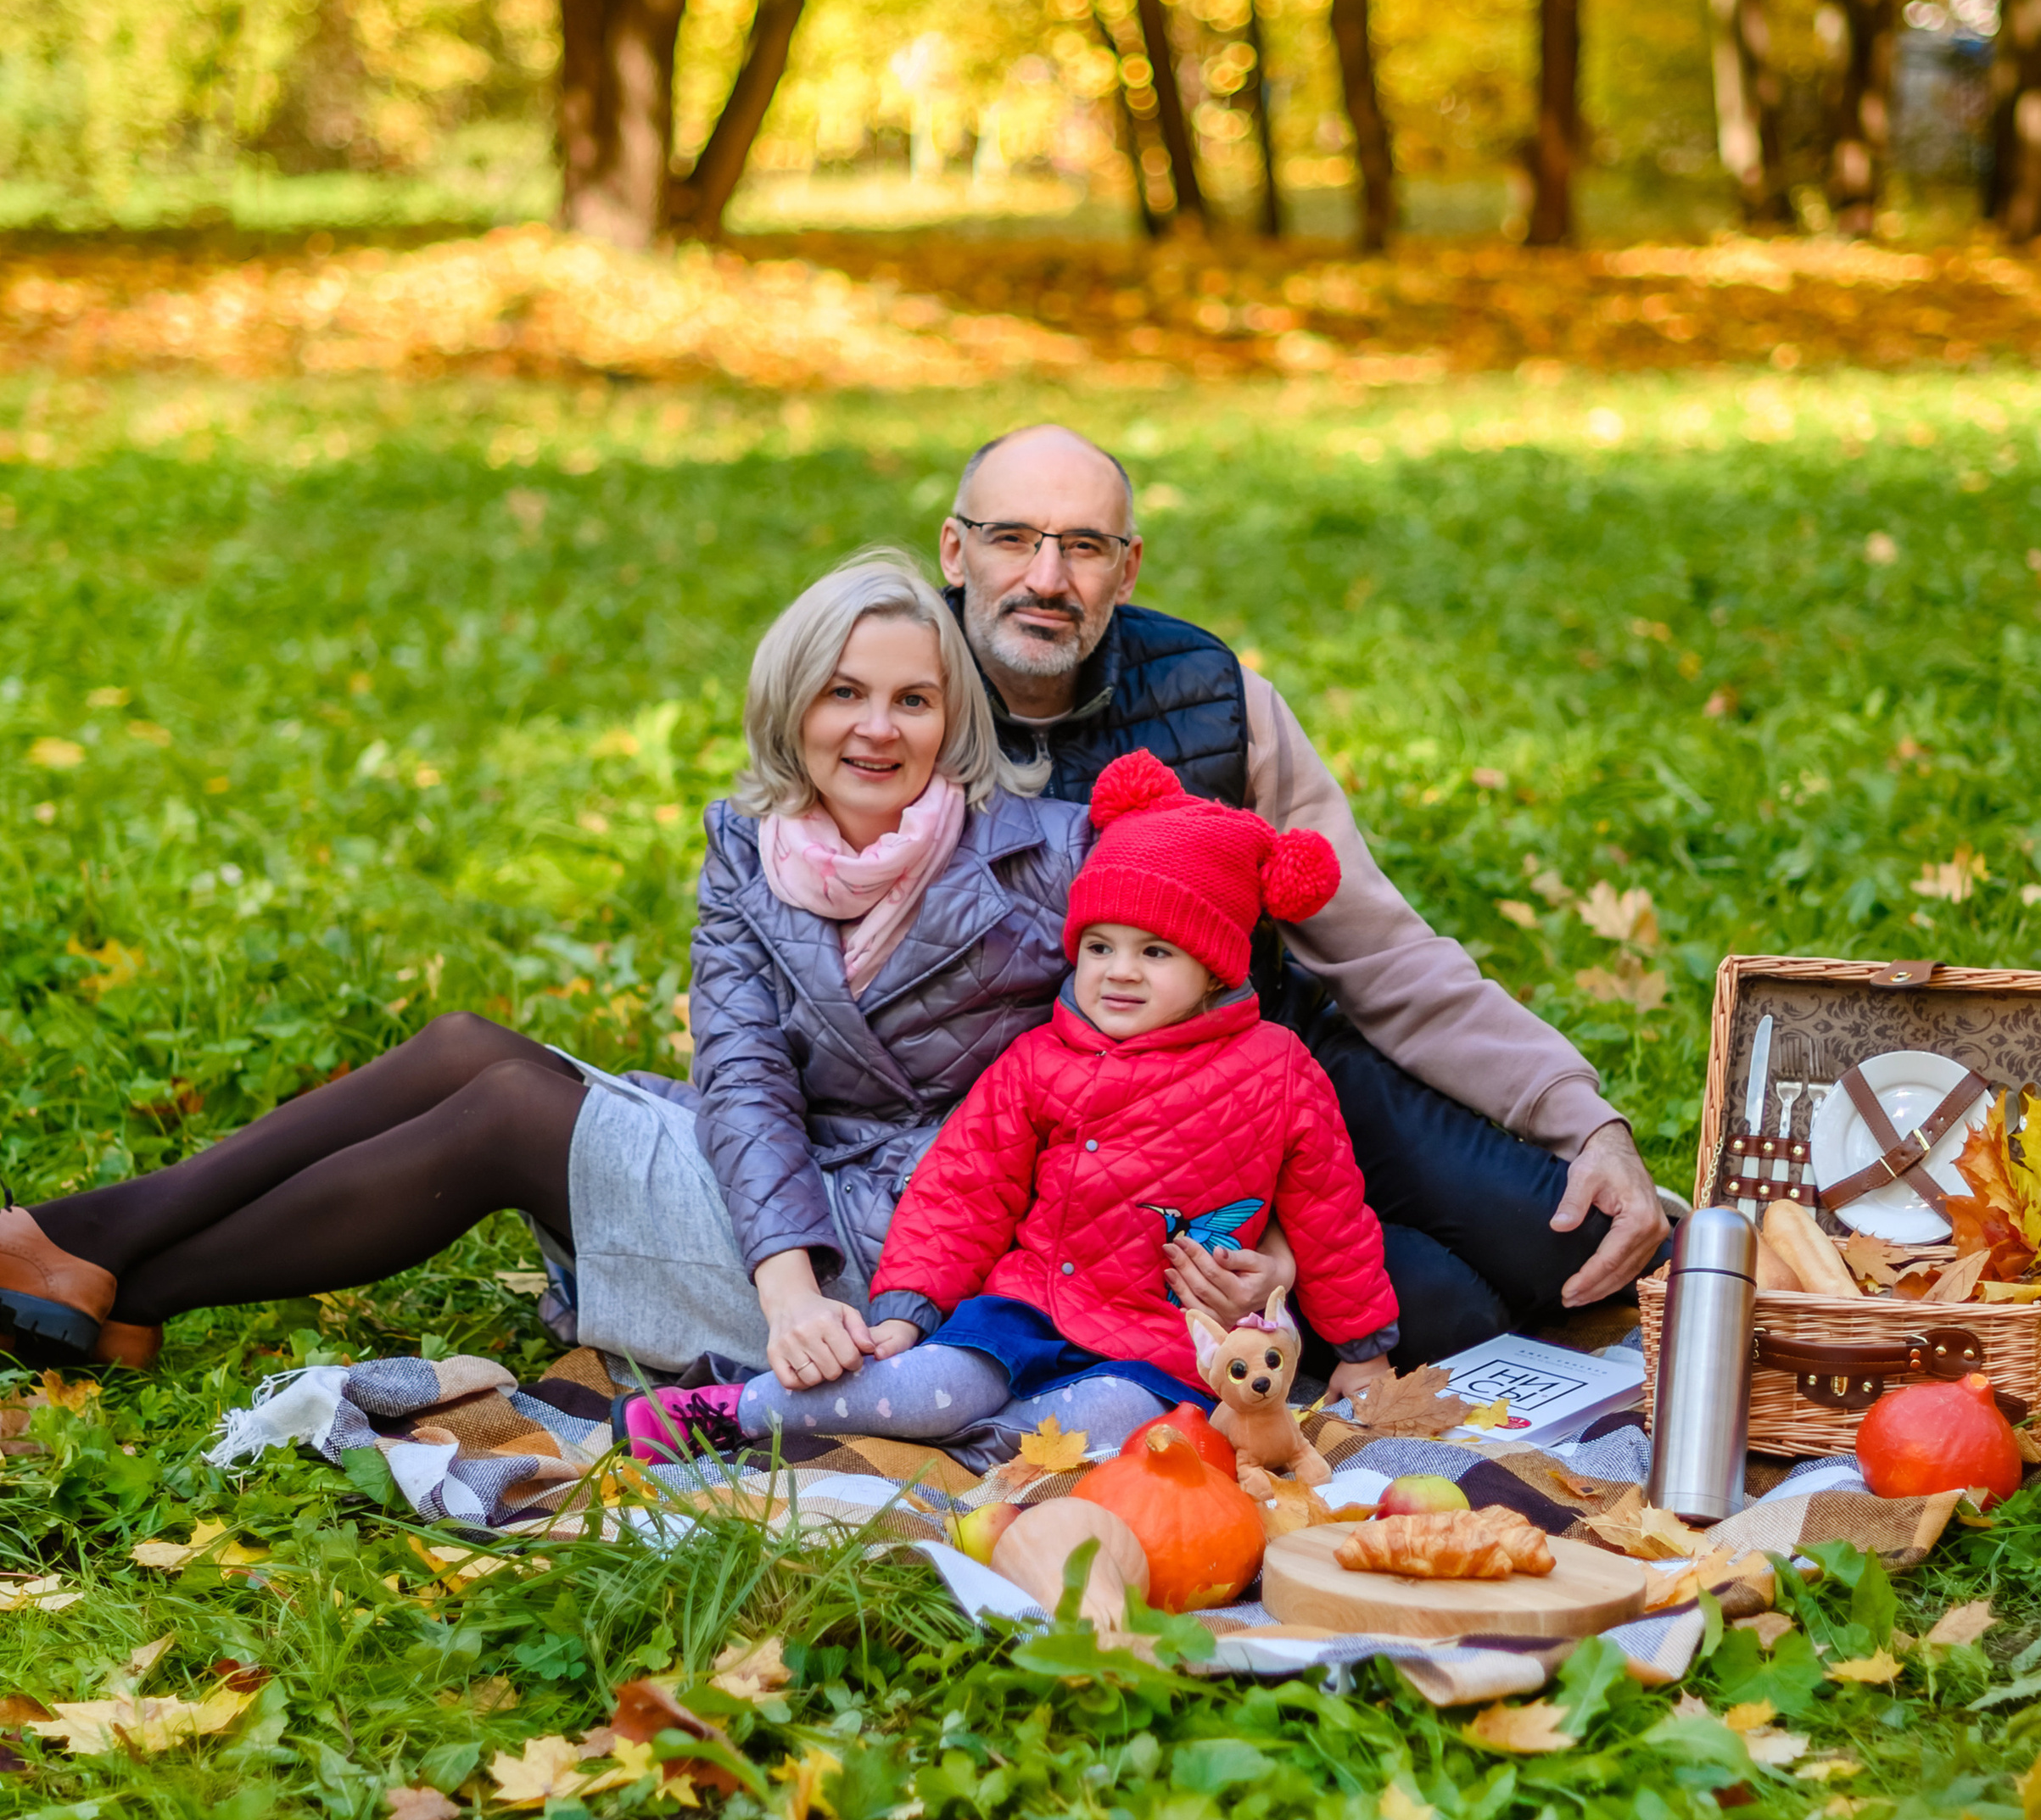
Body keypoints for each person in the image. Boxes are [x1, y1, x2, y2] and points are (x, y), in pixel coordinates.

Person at [0, 556, 1088, 1382]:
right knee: (467, 1043)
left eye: (912, 700)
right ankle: (102, 1261)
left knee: (511, 1113)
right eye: (843, 693)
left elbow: (1204, 923)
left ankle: (119, 1270)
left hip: (895, 1248)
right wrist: (783, 1279)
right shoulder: (751, 847)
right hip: (783, 1211)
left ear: (952, 722)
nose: (876, 729)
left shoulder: (1042, 853)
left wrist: (798, 1302)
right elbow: (744, 1074)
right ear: (790, 702)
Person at [934, 424, 1672, 1367]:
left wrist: (1586, 1118)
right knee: (1450, 1315)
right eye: (1011, 537)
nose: (1046, 577)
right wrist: (1276, 1248)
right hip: (1111, 1151)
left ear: (1127, 571)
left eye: (1084, 546)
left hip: (1274, 1066)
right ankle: (1318, 1291)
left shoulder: (1213, 698)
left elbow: (1377, 946)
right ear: (954, 550)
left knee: (1568, 1238)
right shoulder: (893, 701)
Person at [620, 749, 1398, 1472]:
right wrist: (907, 1310)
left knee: (1098, 1434)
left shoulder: (1277, 1069)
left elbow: (1331, 1213)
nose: (1119, 973)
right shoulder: (1041, 1060)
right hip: (1027, 1309)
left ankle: (956, 1460)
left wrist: (1362, 1352)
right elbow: (962, 1190)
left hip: (1163, 1350)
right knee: (934, 1386)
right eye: (1100, 947)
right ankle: (734, 1411)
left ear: (1214, 969)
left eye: (1155, 953)